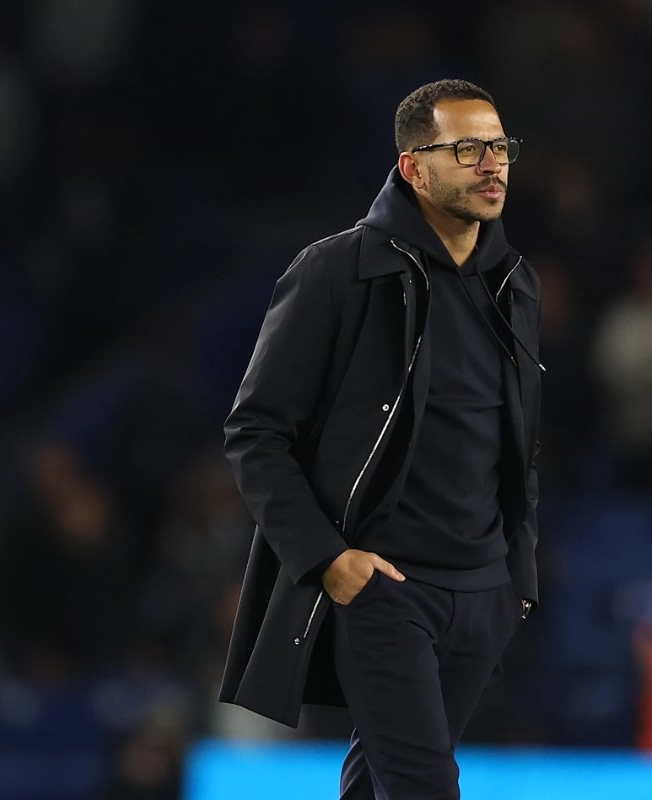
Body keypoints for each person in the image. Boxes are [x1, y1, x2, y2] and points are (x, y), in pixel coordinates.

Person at [219, 79, 541, 800]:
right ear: (413, 167)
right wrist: (326, 558)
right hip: (385, 588)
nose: (492, 164)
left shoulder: (516, 283)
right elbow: (255, 431)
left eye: (500, 147)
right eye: (468, 149)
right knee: (424, 787)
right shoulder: (337, 270)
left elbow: (519, 442)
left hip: (482, 591)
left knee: (379, 787)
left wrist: (515, 581)